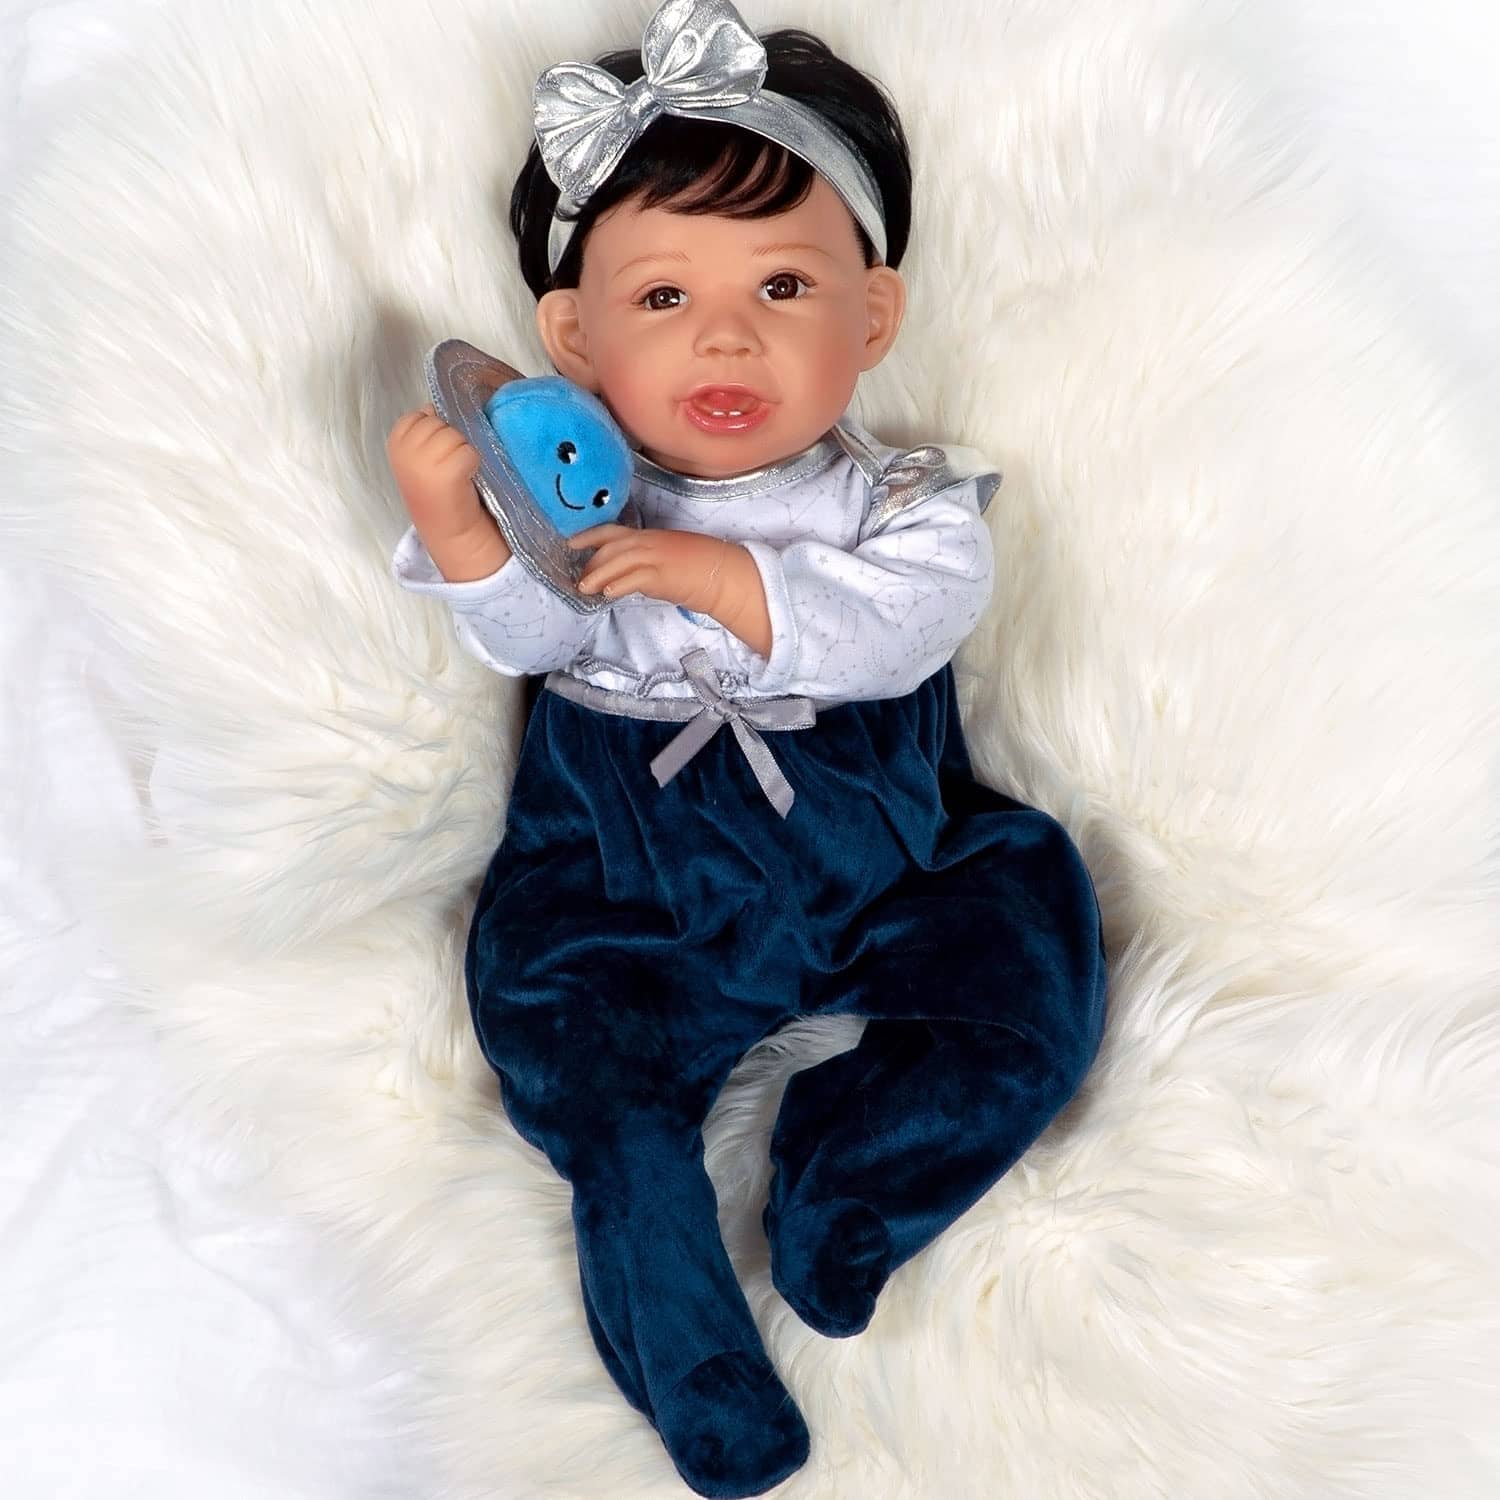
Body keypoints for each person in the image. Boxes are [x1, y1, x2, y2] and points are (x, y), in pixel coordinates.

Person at [385, 3, 1108, 1495]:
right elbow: (526, 637)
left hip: (887, 853)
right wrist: (463, 525)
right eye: (663, 296)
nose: (728, 335)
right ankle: (707, 1382)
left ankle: (854, 1181)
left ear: (874, 319)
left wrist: (722, 580)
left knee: (1028, 956)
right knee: (607, 1109)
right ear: (572, 340)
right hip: (624, 893)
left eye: (786, 285)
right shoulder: (572, 498)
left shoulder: (897, 499)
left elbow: (910, 625)